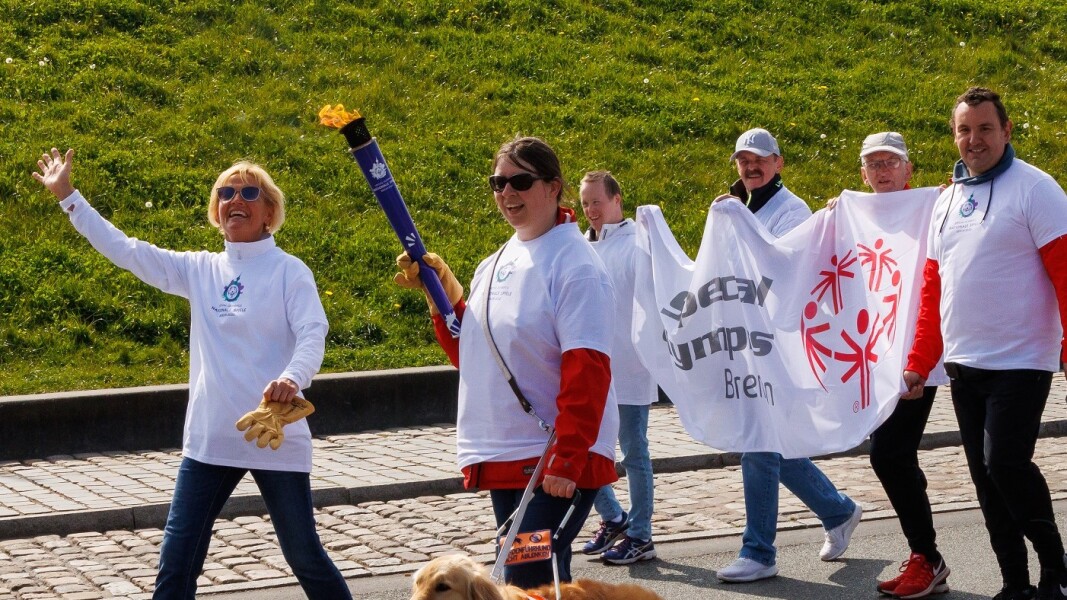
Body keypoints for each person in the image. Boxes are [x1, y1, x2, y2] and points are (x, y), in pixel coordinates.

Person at [32, 149, 351, 600]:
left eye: (248, 191)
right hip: (211, 440)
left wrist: (292, 378)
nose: (235, 198)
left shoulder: (289, 272)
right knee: (177, 561)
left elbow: (312, 333)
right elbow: (127, 251)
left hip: (274, 435)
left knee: (304, 556)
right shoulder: (200, 269)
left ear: (269, 213)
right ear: (216, 211)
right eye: (226, 191)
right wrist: (69, 197)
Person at [393, 136, 620, 588]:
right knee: (534, 584)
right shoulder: (493, 262)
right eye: (498, 183)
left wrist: (567, 459)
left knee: (525, 574)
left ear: (554, 187)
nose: (506, 193)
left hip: (554, 459)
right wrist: (440, 300)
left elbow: (588, 369)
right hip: (507, 453)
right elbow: (474, 357)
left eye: (520, 181)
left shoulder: (577, 264)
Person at [903, 87, 1067, 600]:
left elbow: (1066, 276)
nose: (974, 140)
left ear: (1007, 130)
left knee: (1006, 464)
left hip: (1022, 360)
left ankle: (1055, 571)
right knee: (986, 482)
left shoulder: (1036, 190)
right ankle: (1014, 584)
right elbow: (933, 290)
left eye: (985, 129)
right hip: (963, 364)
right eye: (964, 130)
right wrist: (917, 363)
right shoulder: (946, 199)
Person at [713, 128, 862, 583]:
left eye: (759, 159)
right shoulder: (741, 207)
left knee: (760, 444)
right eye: (743, 160)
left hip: (782, 345)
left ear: (778, 163)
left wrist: (736, 221)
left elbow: (782, 269)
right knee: (772, 443)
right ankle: (837, 511)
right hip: (750, 342)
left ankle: (759, 550)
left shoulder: (790, 210)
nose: (750, 166)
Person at [840, 132, 951, 598]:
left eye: (891, 162)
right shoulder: (853, 215)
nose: (882, 170)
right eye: (873, 163)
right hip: (875, 356)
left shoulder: (932, 208)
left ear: (909, 169)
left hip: (918, 357)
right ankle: (926, 558)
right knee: (896, 456)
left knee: (890, 453)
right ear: (862, 173)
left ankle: (928, 558)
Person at [577, 171, 658, 565]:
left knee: (633, 452)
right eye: (586, 203)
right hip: (590, 368)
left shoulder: (638, 244)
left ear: (616, 200)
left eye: (597, 201)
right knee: (584, 450)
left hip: (629, 368)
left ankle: (641, 534)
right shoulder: (578, 246)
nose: (591, 210)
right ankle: (613, 517)